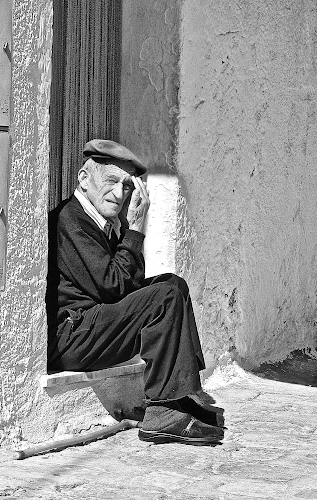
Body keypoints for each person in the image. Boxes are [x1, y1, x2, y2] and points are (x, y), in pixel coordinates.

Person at [46, 139, 225, 445]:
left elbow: (131, 281)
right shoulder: (71, 220)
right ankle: (163, 411)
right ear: (84, 179)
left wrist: (128, 229)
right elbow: (114, 288)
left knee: (173, 285)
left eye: (127, 186)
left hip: (94, 323)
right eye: (111, 181)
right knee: (164, 298)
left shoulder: (106, 220)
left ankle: (180, 396)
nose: (119, 194)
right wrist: (135, 230)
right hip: (72, 336)